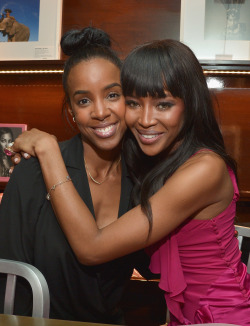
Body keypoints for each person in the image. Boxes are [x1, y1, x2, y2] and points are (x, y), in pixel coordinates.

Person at [6, 39, 250, 325]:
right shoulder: (154, 170)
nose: (146, 120)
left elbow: (94, 249)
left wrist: (47, 149)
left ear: (190, 105)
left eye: (164, 104)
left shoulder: (200, 169)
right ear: (71, 109)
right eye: (135, 103)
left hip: (219, 316)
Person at [0, 27, 154, 324]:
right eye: (84, 101)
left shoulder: (141, 179)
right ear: (71, 111)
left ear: (130, 100)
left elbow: (154, 268)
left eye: (112, 95)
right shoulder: (33, 171)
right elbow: (9, 282)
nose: (100, 111)